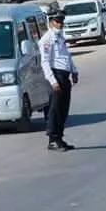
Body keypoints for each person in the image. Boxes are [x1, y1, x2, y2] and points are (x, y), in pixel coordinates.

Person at [39, 11, 78, 152]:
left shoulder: (60, 37)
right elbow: (45, 62)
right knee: (54, 110)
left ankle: (60, 138)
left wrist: (74, 71)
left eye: (62, 21)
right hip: (55, 76)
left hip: (64, 75)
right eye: (57, 21)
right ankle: (52, 140)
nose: (60, 24)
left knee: (63, 109)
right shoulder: (46, 39)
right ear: (51, 22)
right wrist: (53, 81)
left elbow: (66, 56)